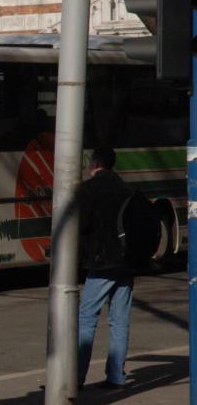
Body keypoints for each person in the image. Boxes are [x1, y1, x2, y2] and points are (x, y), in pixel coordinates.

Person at [76, 147, 135, 390]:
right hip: (126, 261)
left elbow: (81, 225)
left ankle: (74, 377)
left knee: (86, 317)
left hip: (102, 261)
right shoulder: (126, 188)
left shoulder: (88, 189)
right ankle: (116, 376)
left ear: (95, 163)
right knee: (119, 319)